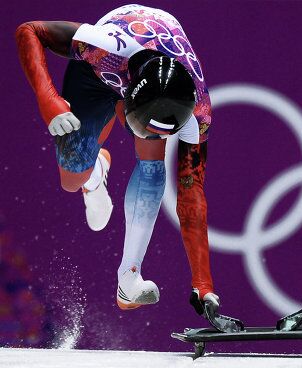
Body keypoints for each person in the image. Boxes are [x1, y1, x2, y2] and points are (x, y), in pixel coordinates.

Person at [15, 4, 220, 314]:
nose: (148, 134)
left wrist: (202, 283)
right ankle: (95, 173)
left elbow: (192, 195)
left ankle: (129, 276)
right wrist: (49, 99)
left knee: (152, 162)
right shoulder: (103, 45)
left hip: (148, 83)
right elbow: (29, 30)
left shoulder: (198, 112)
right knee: (72, 181)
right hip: (96, 74)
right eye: (142, 126)